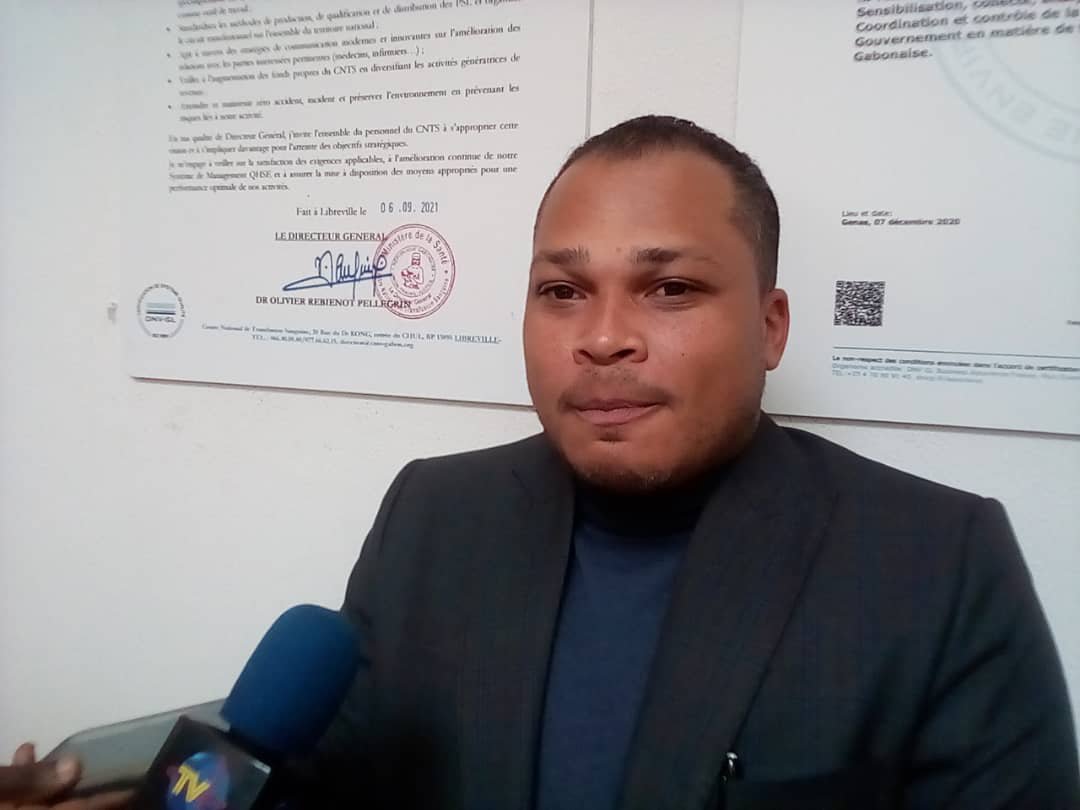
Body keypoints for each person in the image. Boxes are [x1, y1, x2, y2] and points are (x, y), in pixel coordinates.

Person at [7, 115, 1079, 808]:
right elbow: (339, 784)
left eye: (669, 289)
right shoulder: (435, 515)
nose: (602, 337)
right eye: (562, 291)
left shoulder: (937, 563)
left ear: (771, 326)